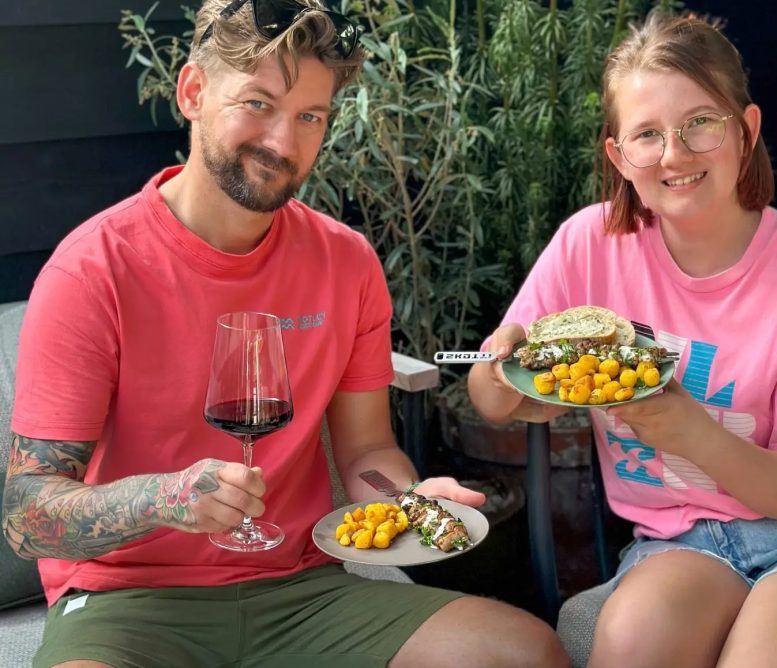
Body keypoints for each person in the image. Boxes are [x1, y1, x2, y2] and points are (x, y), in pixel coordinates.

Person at [1, 1, 568, 667]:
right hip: (128, 604)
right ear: (192, 91)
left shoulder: (345, 263)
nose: (283, 141)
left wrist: (409, 506)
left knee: (522, 652)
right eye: (258, 103)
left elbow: (366, 454)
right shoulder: (93, 269)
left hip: (304, 590)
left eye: (310, 117)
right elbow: (26, 515)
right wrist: (167, 499)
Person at [469, 13, 777, 668]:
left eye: (700, 122)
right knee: (632, 644)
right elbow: (498, 395)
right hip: (683, 537)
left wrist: (683, 427)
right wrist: (500, 375)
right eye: (647, 134)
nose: (674, 153)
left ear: (745, 130)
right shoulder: (589, 245)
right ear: (619, 156)